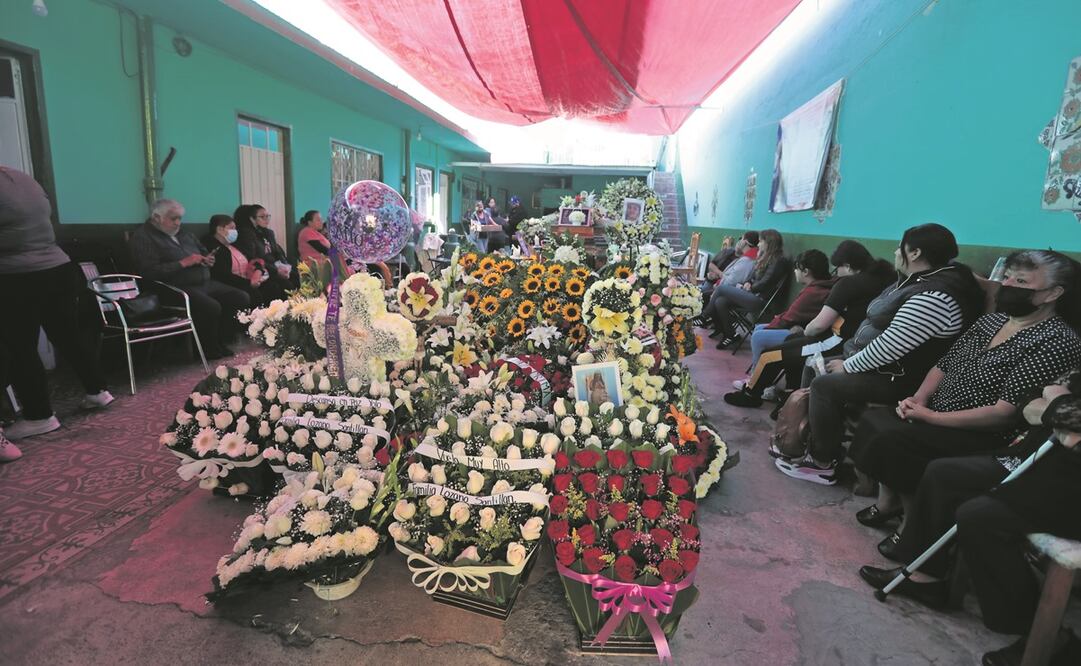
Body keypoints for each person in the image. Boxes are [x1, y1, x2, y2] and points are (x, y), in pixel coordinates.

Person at [846, 250, 1081, 544]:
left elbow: (1004, 412)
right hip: (935, 411)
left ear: (1053, 293)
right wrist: (919, 399)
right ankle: (888, 502)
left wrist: (932, 417)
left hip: (983, 432)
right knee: (876, 420)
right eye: (1007, 277)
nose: (1008, 285)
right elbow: (944, 364)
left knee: (894, 439)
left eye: (1021, 281)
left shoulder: (1056, 341)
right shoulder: (992, 322)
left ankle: (910, 524)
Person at [861, 370, 1081, 666]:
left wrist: (1056, 405)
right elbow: (1028, 401)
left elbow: (1066, 419)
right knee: (944, 474)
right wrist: (1057, 409)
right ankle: (927, 576)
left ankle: (1046, 637)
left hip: (1065, 484)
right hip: (1042, 462)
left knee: (979, 515)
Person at [776, 223, 984, 485]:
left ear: (915, 253)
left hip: (899, 378)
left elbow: (890, 346)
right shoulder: (918, 281)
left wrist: (849, 365)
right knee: (813, 364)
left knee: (824, 385)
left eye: (900, 247)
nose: (896, 252)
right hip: (877, 365)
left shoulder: (935, 297)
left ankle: (822, 461)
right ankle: (805, 437)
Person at [0, 166, 114, 441]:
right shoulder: (21, 178)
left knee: (20, 347)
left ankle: (39, 416)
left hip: (19, 274)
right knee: (67, 334)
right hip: (58, 268)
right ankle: (97, 391)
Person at [722, 240, 896, 408]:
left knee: (770, 356)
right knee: (791, 342)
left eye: (837, 268)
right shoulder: (883, 281)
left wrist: (806, 332)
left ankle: (751, 395)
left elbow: (818, 325)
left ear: (848, 266)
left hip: (836, 342)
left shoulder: (849, 284)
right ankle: (789, 396)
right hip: (856, 342)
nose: (836, 273)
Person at [129, 199, 249, 359]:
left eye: (180, 218)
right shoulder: (144, 237)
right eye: (173, 218)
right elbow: (149, 272)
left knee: (240, 297)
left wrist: (208, 259)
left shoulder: (184, 233)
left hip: (202, 281)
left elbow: (202, 250)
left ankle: (223, 340)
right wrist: (183, 263)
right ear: (156, 217)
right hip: (172, 287)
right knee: (210, 306)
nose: (177, 223)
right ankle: (207, 349)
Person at [726, 249, 837, 390]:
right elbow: (793, 314)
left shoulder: (813, 292)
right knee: (760, 328)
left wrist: (776, 321)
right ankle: (761, 376)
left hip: (806, 334)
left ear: (806, 271)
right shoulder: (819, 287)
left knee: (759, 337)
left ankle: (756, 380)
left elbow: (790, 316)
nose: (795, 272)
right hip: (801, 328)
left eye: (797, 269)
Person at [703, 229, 789, 349]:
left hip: (759, 299)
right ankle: (730, 335)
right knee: (720, 301)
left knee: (722, 288)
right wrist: (748, 282)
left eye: (761, 241)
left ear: (768, 243)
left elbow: (766, 283)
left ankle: (705, 316)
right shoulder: (765, 257)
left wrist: (751, 287)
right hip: (751, 294)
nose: (758, 244)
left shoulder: (778, 261)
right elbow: (752, 276)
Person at [203, 214, 282, 306]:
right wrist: (249, 283)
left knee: (273, 287)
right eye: (231, 228)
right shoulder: (214, 248)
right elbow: (223, 275)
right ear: (220, 229)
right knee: (254, 294)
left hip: (251, 278)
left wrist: (258, 270)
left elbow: (253, 258)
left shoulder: (235, 245)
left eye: (235, 228)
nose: (235, 231)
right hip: (236, 283)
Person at [233, 204, 297, 290]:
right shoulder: (246, 234)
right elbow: (254, 259)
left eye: (267, 216)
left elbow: (277, 252)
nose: (266, 219)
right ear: (252, 219)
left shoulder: (268, 233)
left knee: (295, 276)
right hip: (264, 270)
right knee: (285, 285)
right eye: (262, 217)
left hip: (275, 266)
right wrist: (276, 270)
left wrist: (285, 266)